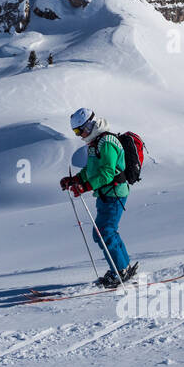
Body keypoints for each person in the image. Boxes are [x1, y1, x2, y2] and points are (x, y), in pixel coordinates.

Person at [59, 108, 138, 288]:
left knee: (104, 232)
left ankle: (119, 272)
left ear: (90, 124)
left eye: (80, 130)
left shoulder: (107, 142)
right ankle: (123, 267)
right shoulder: (95, 143)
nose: (79, 135)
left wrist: (85, 187)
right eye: (76, 132)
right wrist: (75, 180)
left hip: (115, 193)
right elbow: (91, 170)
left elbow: (108, 172)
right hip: (105, 194)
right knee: (108, 231)